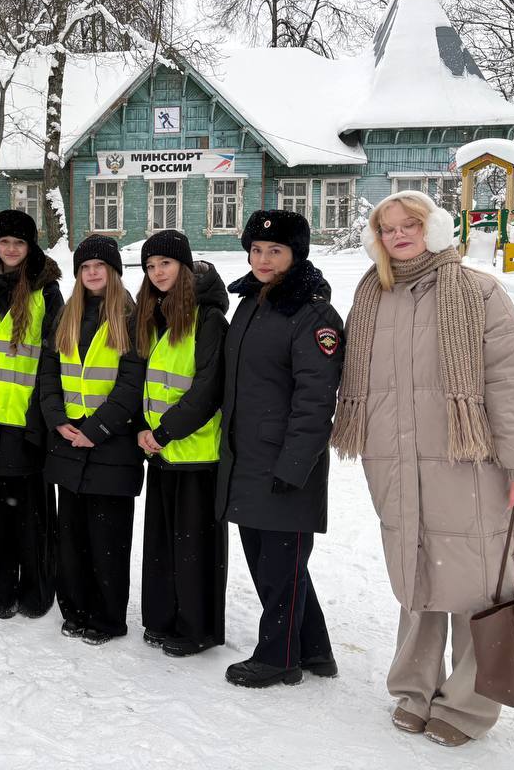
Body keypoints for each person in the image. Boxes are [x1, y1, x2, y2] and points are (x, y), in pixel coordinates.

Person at [330, 191, 514, 747]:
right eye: (388, 228)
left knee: (477, 582)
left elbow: (513, 382)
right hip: (394, 463)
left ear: (434, 227)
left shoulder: (477, 291)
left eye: (410, 224)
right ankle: (414, 689)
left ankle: (469, 704)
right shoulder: (371, 296)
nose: (399, 235)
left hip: (467, 462)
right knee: (415, 576)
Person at [217, 210, 342, 688]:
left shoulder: (312, 314)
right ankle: (314, 649)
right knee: (277, 565)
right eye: (256, 250)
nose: (264, 259)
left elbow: (316, 400)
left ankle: (278, 658)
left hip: (283, 464)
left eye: (276, 250)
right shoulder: (252, 302)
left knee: (279, 569)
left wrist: (294, 466)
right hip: (248, 458)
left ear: (296, 255)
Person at [38, 235, 144, 645]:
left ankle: (107, 617)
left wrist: (95, 430)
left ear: (113, 272)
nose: (93, 272)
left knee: (108, 540)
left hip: (111, 445)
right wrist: (57, 420)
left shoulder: (130, 317)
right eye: (85, 267)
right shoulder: (66, 315)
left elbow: (132, 384)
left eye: (100, 266)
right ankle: (75, 608)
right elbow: (48, 374)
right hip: (68, 441)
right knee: (72, 538)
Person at [131, 230, 229, 657]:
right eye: (150, 266)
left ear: (184, 267)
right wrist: (143, 428)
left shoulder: (209, 318)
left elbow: (208, 389)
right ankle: (163, 617)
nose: (157, 273)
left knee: (195, 550)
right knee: (162, 545)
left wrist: (164, 431)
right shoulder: (155, 316)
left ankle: (196, 628)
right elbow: (145, 381)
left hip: (197, 453)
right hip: (160, 452)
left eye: (165, 264)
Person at [0, 209, 63, 619]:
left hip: (26, 422)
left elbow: (54, 360)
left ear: (30, 247)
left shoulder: (46, 292)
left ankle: (36, 594)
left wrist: (45, 419)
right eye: (4, 241)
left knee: (31, 518)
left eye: (19, 242)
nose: (10, 249)